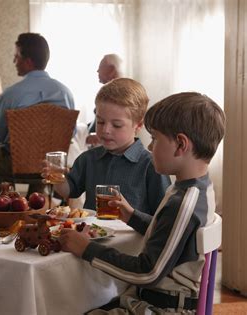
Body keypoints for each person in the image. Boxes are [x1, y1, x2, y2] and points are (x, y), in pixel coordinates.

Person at [59, 92, 226, 314]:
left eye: (155, 139)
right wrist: (132, 215)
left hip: (160, 307)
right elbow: (170, 238)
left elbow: (148, 273)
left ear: (180, 144)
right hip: (156, 299)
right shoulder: (196, 188)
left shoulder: (183, 203)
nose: (149, 147)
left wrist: (87, 249)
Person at [43, 78, 171, 215]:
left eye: (116, 125)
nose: (106, 130)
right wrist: (57, 179)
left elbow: (163, 218)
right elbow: (70, 191)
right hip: (90, 233)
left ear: (138, 125)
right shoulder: (89, 158)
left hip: (132, 235)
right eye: (100, 122)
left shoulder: (152, 165)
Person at [0, 32, 75, 199]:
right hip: (51, 166)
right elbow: (69, 134)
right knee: (43, 156)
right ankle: (37, 197)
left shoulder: (11, 94)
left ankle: (4, 200)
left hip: (15, 165)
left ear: (27, 61)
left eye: (16, 57)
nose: (14, 62)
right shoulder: (66, 93)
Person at [87, 54, 123, 146]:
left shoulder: (120, 94)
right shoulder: (107, 92)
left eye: (100, 67)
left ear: (111, 70)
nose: (97, 70)